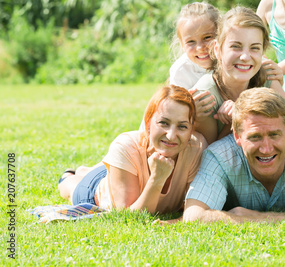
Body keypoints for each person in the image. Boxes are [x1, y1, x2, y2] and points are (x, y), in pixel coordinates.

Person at [180, 87, 285, 223]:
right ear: (237, 136)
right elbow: (194, 216)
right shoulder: (219, 157)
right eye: (255, 137)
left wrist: (254, 218)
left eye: (274, 134)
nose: (266, 149)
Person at [58, 85, 207, 217]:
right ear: (148, 124)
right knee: (72, 188)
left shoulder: (196, 148)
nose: (171, 135)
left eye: (182, 126)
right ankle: (70, 177)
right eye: (164, 123)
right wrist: (157, 178)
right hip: (95, 194)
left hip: (125, 171)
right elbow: (129, 217)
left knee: (115, 167)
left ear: (191, 130)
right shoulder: (125, 146)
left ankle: (91, 170)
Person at [192, 6, 285, 144]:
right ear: (218, 50)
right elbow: (211, 154)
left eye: (254, 48)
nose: (245, 57)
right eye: (235, 46)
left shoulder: (265, 76)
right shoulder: (205, 94)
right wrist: (233, 122)